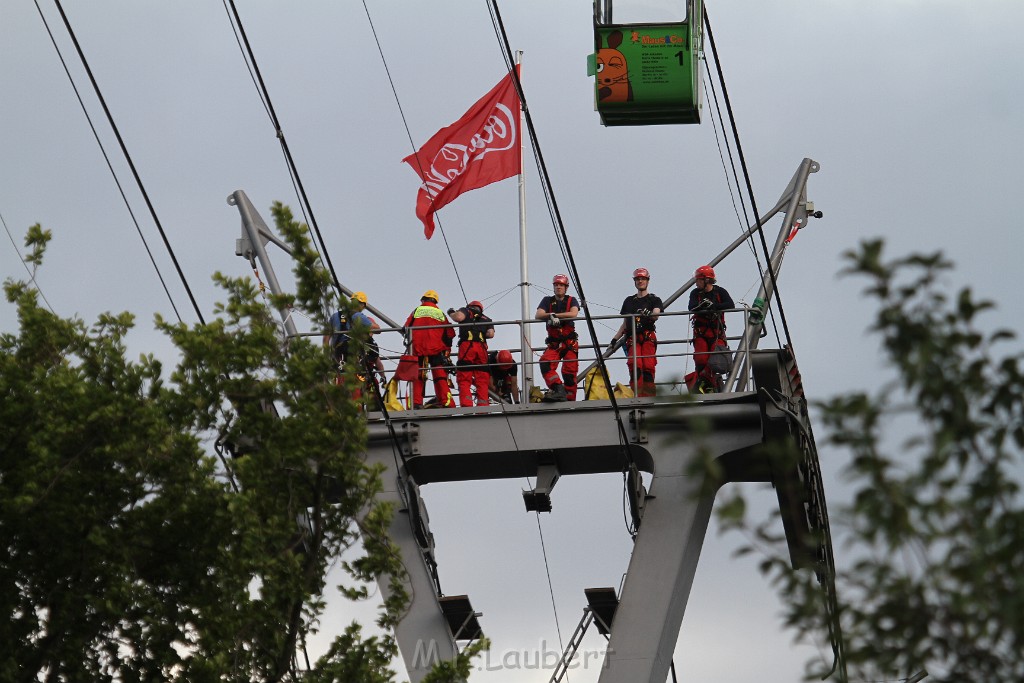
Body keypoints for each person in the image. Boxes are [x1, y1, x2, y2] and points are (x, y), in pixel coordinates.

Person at [612, 267, 663, 397]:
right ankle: (637, 395)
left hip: (647, 337)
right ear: (635, 281)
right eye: (638, 279)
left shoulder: (654, 300)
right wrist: (615, 339)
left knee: (648, 365)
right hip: (632, 337)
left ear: (647, 281)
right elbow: (625, 323)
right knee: (635, 364)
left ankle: (649, 396)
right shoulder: (629, 301)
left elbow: (656, 314)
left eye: (643, 279)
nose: (640, 281)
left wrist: (650, 314)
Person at [324, 291, 386, 395]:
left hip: (337, 353)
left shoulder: (335, 316)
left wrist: (326, 353)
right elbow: (378, 329)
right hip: (351, 353)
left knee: (340, 378)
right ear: (362, 304)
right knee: (354, 381)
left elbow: (326, 338)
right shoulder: (358, 316)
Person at [403, 289, 456, 409]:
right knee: (440, 377)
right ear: (435, 301)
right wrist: (447, 351)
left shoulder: (417, 311)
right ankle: (446, 402)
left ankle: (415, 404)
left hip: (417, 349)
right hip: (436, 349)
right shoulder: (440, 313)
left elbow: (406, 327)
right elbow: (450, 333)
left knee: (418, 376)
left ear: (423, 300)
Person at [687, 265, 734, 393]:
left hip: (716, 333)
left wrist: (715, 306)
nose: (696, 283)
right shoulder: (695, 294)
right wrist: (703, 307)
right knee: (700, 359)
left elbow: (730, 304)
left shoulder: (720, 292)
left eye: (698, 280)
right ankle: (705, 383)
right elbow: (691, 307)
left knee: (717, 361)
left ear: (706, 280)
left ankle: (706, 383)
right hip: (701, 333)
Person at [535, 274, 580, 401]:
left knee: (569, 374)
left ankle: (570, 401)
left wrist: (556, 316)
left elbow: (574, 313)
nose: (558, 287)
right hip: (554, 343)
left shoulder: (572, 300)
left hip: (569, 342)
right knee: (545, 364)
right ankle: (558, 390)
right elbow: (538, 315)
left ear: (566, 287)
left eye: (561, 285)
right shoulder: (547, 300)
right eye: (556, 285)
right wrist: (551, 315)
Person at [448, 300, 495, 407]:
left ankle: (466, 404)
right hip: (482, 349)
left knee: (464, 377)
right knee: (482, 379)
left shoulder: (466, 311)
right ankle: (483, 407)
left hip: (467, 347)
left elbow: (458, 317)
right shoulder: (487, 319)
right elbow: (491, 334)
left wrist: (451, 312)